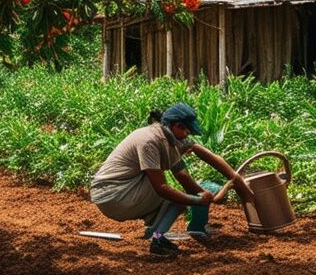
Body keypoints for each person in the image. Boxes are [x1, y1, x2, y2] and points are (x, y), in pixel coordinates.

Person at [89, 102, 256, 259]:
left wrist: (231, 180)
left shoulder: (166, 138)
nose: (186, 136)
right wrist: (198, 199)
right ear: (176, 125)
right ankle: (158, 239)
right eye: (185, 131)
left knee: (179, 201)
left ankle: (156, 236)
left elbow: (186, 173)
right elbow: (162, 187)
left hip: (122, 192)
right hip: (112, 194)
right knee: (172, 194)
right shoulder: (150, 141)